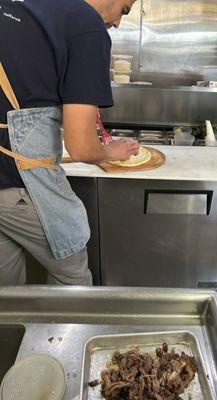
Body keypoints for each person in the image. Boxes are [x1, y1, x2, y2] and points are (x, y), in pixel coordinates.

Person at [0, 0, 139, 285]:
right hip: (19, 184)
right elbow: (81, 147)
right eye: (124, 10)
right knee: (72, 279)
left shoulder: (20, 7)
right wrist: (108, 152)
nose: (117, 22)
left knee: (7, 294)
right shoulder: (86, 26)